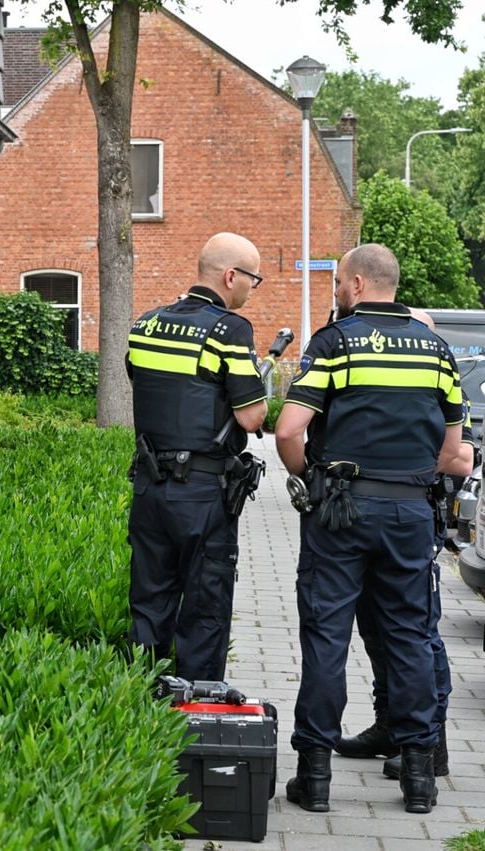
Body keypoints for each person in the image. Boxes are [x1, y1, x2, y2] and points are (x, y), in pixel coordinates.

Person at [276, 243, 464, 814]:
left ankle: (314, 778)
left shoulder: (335, 342)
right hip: (410, 513)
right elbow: (452, 449)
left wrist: (311, 474)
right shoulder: (435, 348)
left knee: (327, 636)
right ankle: (418, 780)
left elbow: (288, 429)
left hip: (342, 510)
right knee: (408, 636)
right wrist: (405, 478)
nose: (335, 290)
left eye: (336, 282)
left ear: (357, 284)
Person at [126, 232, 268, 682]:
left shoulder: (146, 323)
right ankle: (198, 713)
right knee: (205, 605)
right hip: (204, 493)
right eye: (253, 278)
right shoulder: (228, 329)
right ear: (231, 276)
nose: (252, 288)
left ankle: (140, 703)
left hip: (150, 487)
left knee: (148, 601)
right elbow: (251, 417)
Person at [335, 306, 470, 782]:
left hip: (416, 516)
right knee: (376, 628)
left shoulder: (441, 383)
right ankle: (389, 724)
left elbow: (463, 458)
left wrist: (404, 466)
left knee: (421, 637)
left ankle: (430, 744)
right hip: (382, 516)